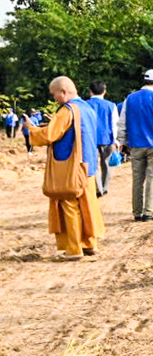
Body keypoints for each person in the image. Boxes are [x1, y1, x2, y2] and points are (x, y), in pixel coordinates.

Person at [25, 77, 105, 259]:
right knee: (87, 205)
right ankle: (90, 244)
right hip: (89, 165)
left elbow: (49, 134)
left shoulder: (67, 110)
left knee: (69, 203)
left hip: (71, 167)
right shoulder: (88, 108)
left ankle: (73, 249)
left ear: (63, 92)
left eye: (54, 95)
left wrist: (31, 130)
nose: (55, 99)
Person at [117, 69, 153, 220]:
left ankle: (137, 212)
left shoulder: (130, 98)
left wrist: (122, 141)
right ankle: (150, 212)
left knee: (138, 179)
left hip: (136, 144)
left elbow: (122, 123)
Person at [85, 81, 119, 197]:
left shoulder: (85, 105)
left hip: (90, 138)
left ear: (90, 91)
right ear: (105, 91)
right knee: (107, 164)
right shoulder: (111, 105)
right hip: (107, 137)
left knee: (92, 163)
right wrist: (115, 139)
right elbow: (115, 123)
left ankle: (97, 187)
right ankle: (104, 187)